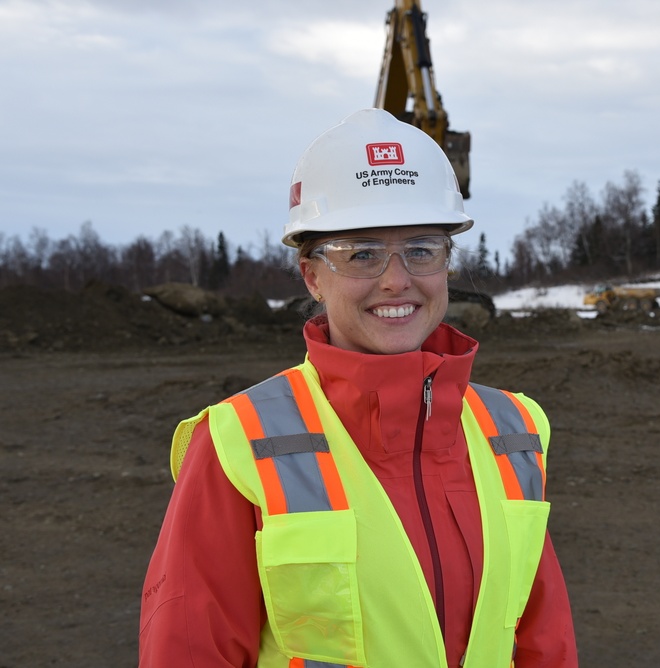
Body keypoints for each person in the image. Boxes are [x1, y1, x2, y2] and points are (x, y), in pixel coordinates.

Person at [139, 108, 578, 668]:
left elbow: (544, 640)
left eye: (421, 249)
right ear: (313, 276)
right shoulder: (238, 442)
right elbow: (189, 651)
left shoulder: (513, 430)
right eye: (362, 253)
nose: (396, 279)